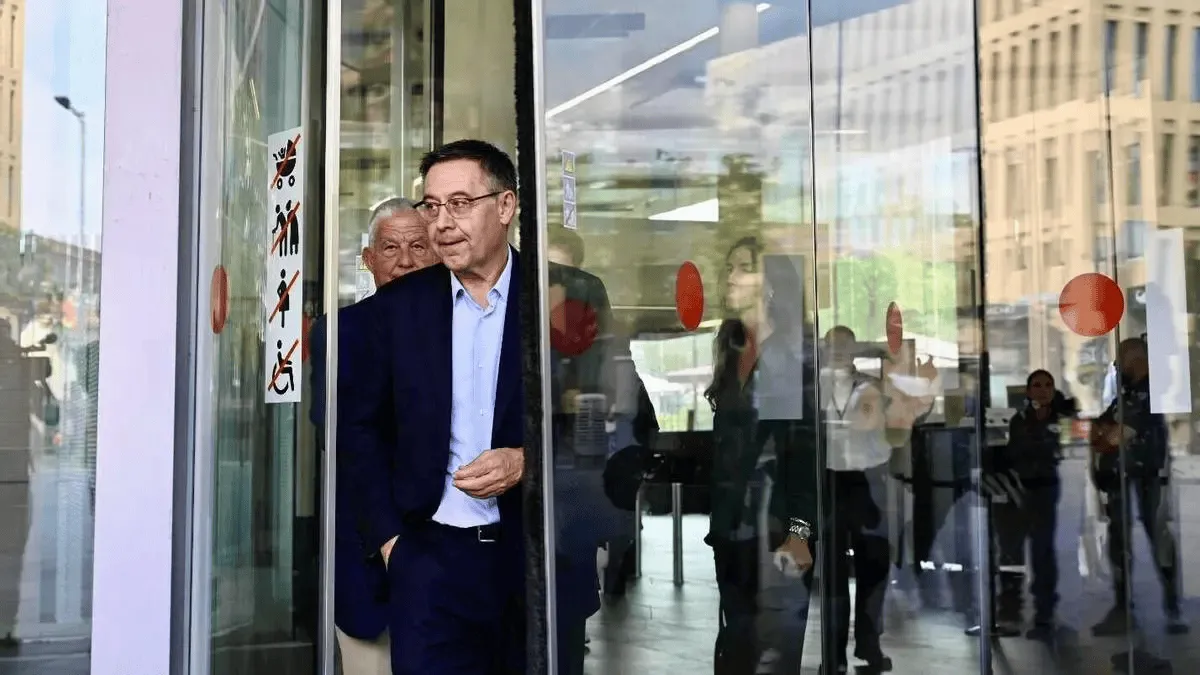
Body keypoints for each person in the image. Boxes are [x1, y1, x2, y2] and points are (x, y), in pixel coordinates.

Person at [341, 139, 526, 675]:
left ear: (506, 206)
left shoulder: (558, 299)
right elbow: (359, 430)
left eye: (460, 204)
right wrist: (392, 544)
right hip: (429, 562)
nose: (441, 223)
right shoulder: (398, 307)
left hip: (535, 559)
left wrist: (527, 461)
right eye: (432, 206)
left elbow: (610, 427)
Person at [309, 197, 438, 675]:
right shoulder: (340, 332)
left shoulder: (464, 324)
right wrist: (388, 539)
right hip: (371, 553)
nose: (405, 260)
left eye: (418, 246)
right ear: (368, 259)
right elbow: (342, 439)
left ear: (439, 252)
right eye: (390, 248)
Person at [703, 237, 818, 675]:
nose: (730, 277)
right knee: (738, 649)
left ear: (770, 285)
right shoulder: (733, 350)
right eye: (729, 267)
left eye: (743, 267)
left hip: (775, 531)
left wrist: (799, 532)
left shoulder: (788, 357)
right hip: (733, 531)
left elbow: (802, 455)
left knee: (771, 655)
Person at [1089, 337, 1187, 637]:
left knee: (1159, 538)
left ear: (1135, 358)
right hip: (1122, 475)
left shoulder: (1152, 390)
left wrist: (1108, 435)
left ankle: (1172, 608)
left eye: (1121, 357)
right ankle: (1123, 608)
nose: (1118, 364)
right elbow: (1100, 426)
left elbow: (1116, 435)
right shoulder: (1127, 391)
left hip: (1148, 475)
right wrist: (1105, 433)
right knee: (1120, 541)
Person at [819, 325, 892, 674]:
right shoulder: (813, 388)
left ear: (854, 349)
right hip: (829, 480)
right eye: (831, 345)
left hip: (866, 480)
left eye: (844, 345)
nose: (837, 350)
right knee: (832, 573)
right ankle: (833, 654)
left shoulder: (872, 387)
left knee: (874, 566)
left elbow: (890, 428)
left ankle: (869, 643)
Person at [992, 369, 1076, 640]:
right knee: (1012, 550)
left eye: (1048, 385)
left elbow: (1058, 449)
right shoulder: (1020, 419)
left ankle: (1044, 612)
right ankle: (1010, 611)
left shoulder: (1060, 417)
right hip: (1020, 488)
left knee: (1042, 551)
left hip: (1045, 488)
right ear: (1028, 391)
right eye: (1037, 385)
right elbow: (1017, 451)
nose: (1043, 390)